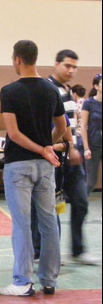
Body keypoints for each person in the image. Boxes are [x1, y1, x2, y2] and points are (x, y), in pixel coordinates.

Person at [0, 40, 66, 297]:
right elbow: (62, 128)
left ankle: (22, 281)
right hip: (45, 168)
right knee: (48, 222)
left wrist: (40, 148)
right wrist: (47, 145)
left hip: (19, 165)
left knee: (22, 224)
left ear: (17, 59)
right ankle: (49, 279)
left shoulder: (9, 91)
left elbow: (12, 133)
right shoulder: (51, 90)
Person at [48, 50, 93, 265]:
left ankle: (78, 250)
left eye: (74, 67)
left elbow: (71, 125)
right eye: (67, 65)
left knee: (81, 202)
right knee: (51, 208)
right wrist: (67, 147)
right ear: (56, 64)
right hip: (56, 158)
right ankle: (45, 251)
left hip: (72, 158)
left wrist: (75, 147)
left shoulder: (68, 90)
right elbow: (54, 127)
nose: (71, 70)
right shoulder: (50, 90)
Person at [81, 74, 102, 196]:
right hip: (93, 146)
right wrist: (86, 148)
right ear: (96, 86)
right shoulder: (89, 103)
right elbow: (83, 126)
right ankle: (80, 204)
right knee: (90, 182)